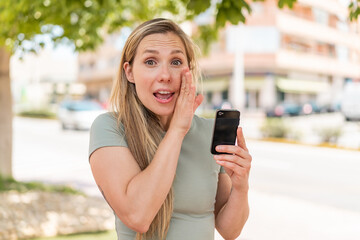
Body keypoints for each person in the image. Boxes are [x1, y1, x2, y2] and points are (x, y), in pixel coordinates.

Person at [89, 18, 252, 240]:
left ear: (189, 70)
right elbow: (138, 216)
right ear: (130, 72)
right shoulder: (110, 128)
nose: (165, 75)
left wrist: (241, 187)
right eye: (150, 61)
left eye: (175, 62)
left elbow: (229, 230)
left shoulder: (208, 132)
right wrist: (177, 130)